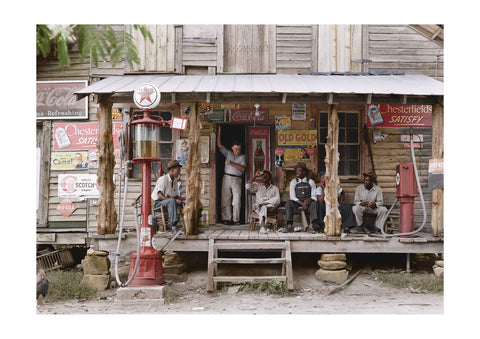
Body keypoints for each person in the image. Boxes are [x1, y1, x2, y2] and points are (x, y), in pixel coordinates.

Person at [217, 124, 247, 225]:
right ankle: (227, 219)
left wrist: (231, 163)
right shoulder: (228, 153)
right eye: (235, 149)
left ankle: (236, 219)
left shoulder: (243, 157)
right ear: (232, 148)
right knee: (225, 199)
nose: (237, 151)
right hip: (226, 177)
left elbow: (242, 168)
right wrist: (219, 131)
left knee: (236, 200)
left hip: (237, 179)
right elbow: (219, 145)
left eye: (238, 149)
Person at [151, 160, 185, 234]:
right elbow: (160, 197)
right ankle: (174, 227)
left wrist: (186, 198)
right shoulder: (163, 179)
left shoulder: (175, 181)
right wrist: (175, 200)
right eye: (178, 170)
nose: (179, 172)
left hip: (168, 203)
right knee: (172, 201)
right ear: (172, 170)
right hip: (158, 203)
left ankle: (187, 225)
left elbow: (176, 197)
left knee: (180, 201)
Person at [284, 162, 319, 233]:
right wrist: (302, 204)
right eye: (296, 170)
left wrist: (308, 200)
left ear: (304, 172)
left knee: (314, 204)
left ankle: (311, 226)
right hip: (297, 202)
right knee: (288, 203)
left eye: (299, 170)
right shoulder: (293, 182)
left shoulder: (311, 182)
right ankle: (289, 226)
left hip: (308, 202)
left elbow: (314, 196)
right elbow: (292, 197)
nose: (297, 172)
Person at [246, 169, 280, 234]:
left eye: (266, 175)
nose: (264, 176)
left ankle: (262, 227)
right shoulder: (258, 186)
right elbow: (248, 186)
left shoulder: (274, 188)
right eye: (263, 175)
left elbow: (277, 199)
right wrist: (255, 176)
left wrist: (266, 203)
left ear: (270, 178)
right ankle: (262, 227)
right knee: (263, 207)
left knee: (264, 206)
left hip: (270, 207)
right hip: (258, 207)